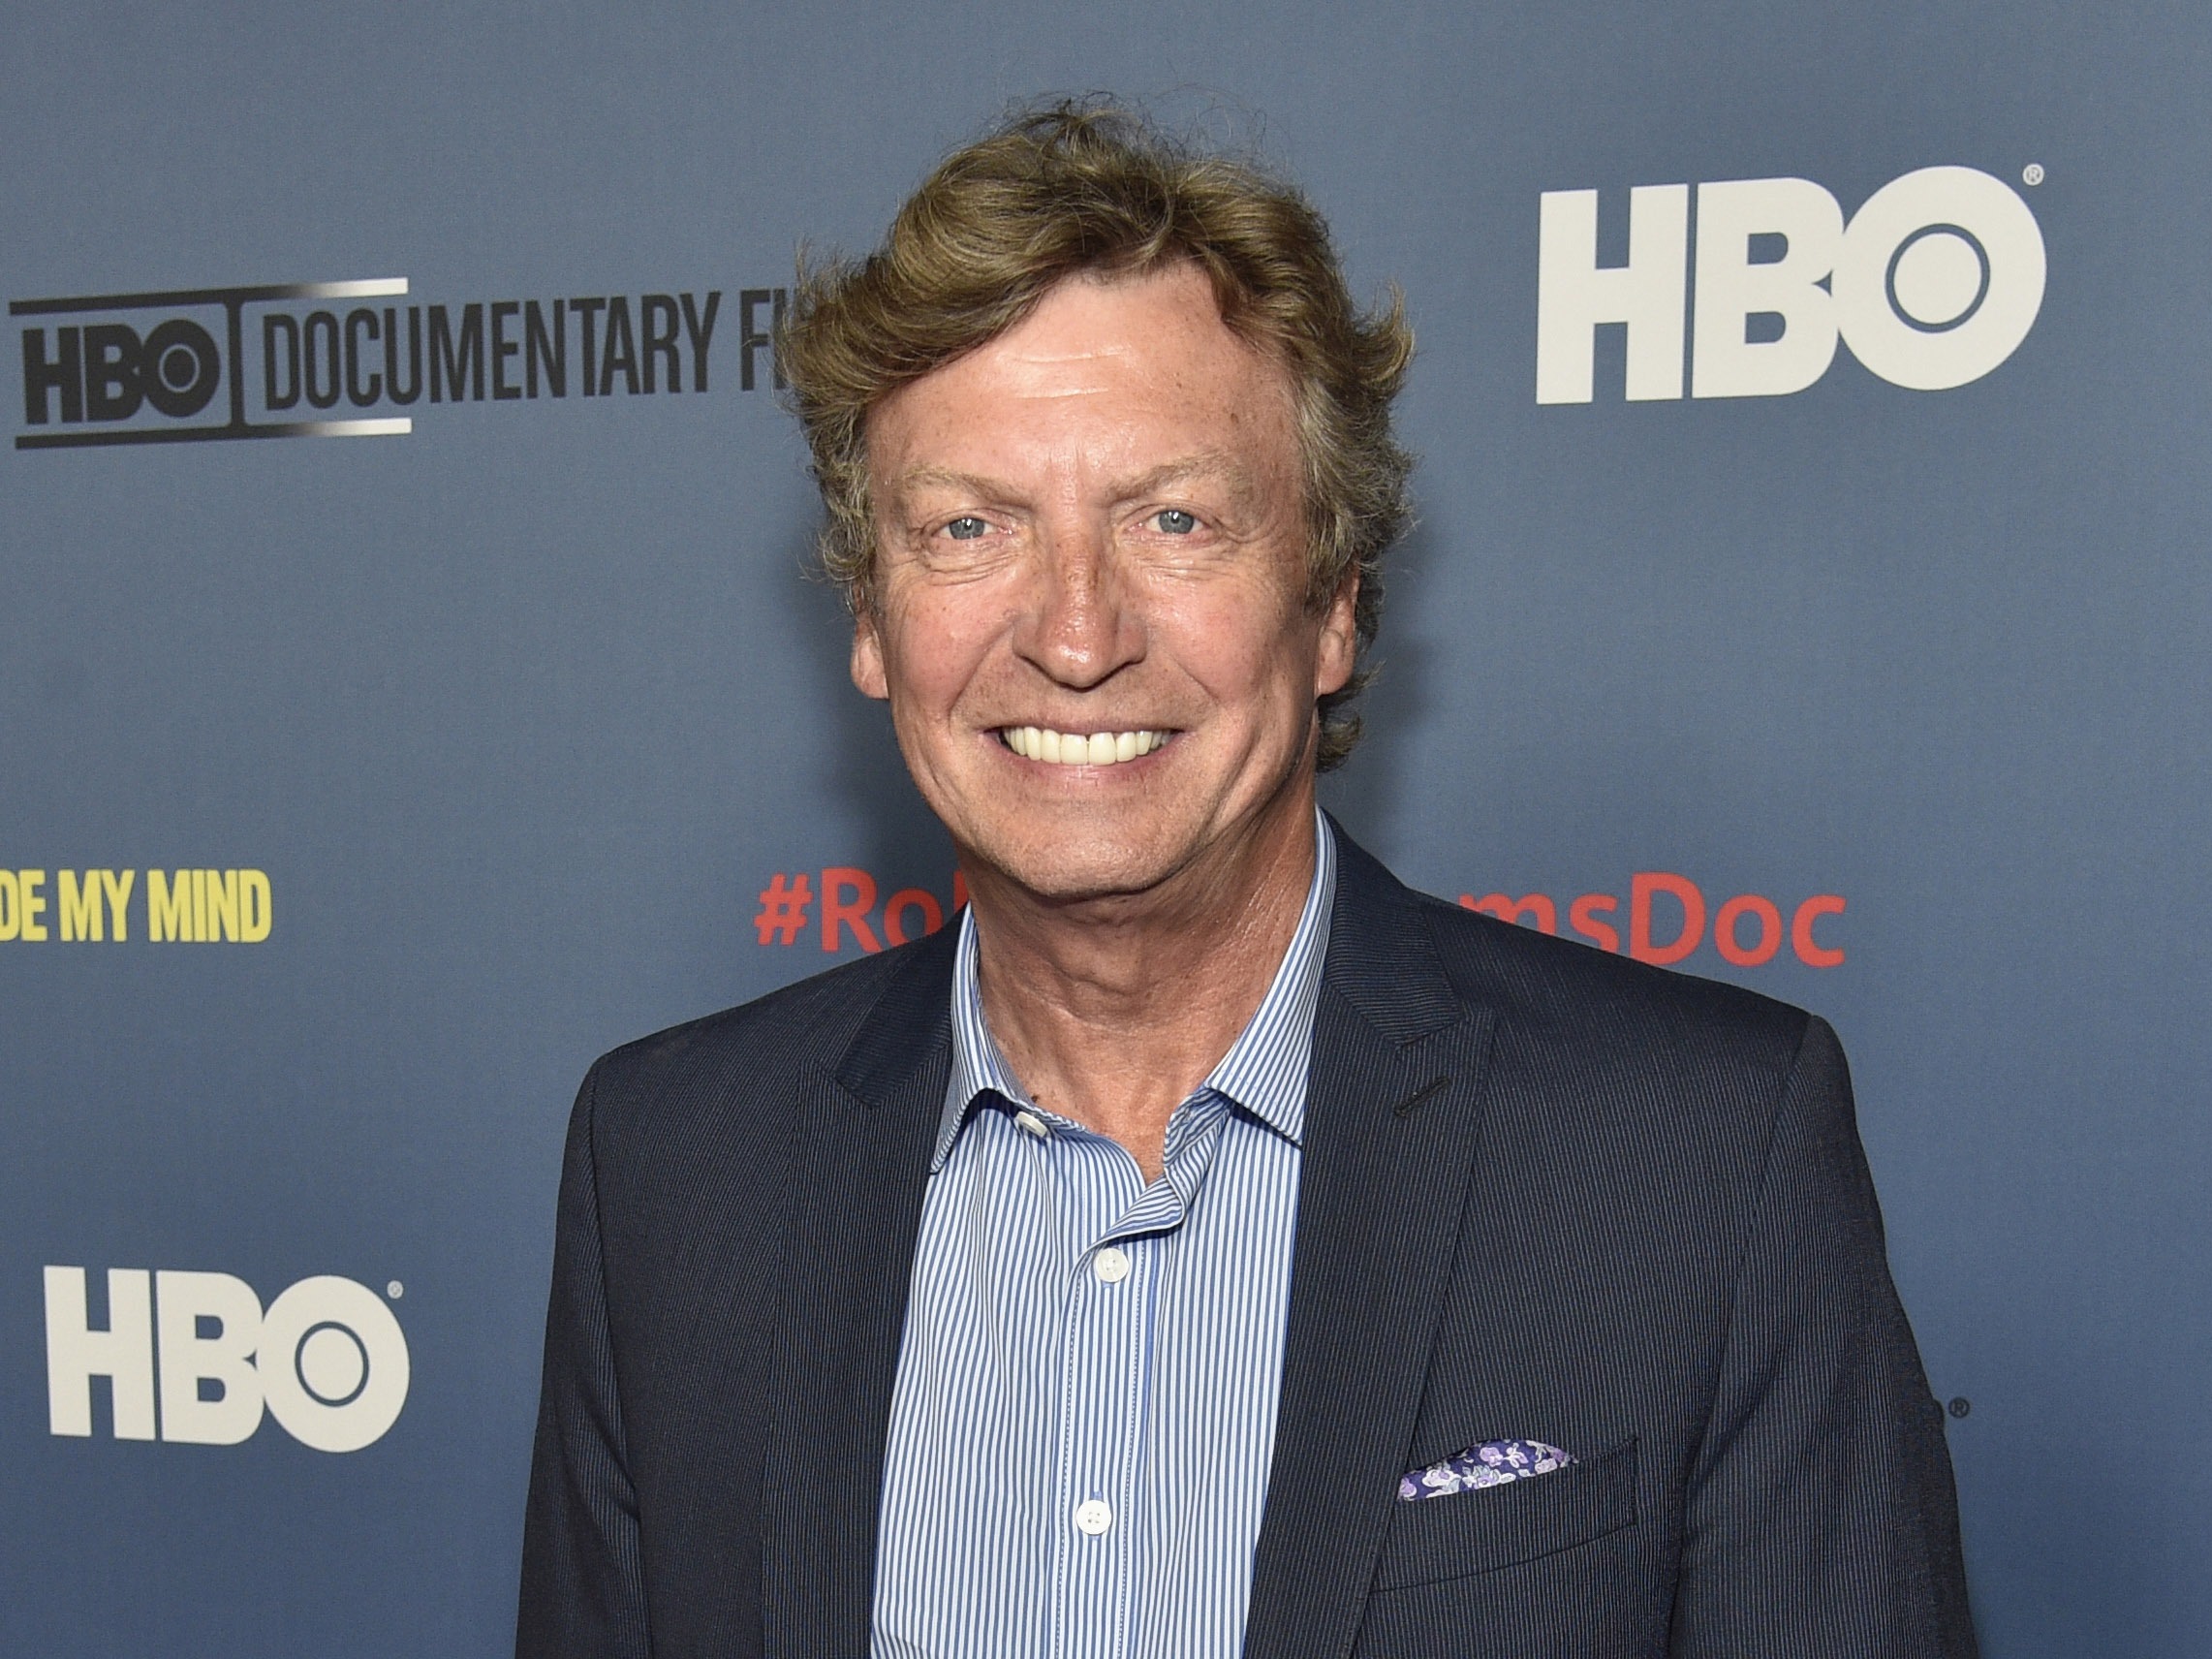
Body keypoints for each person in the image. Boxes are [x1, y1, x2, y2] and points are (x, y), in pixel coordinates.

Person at [516, 102, 1976, 1659]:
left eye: (1176, 519)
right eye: (968, 527)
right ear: (874, 620)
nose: (1076, 636)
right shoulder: (670, 1169)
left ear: (1334, 603)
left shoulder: (1701, 1155)